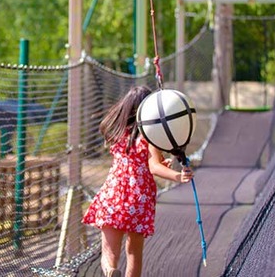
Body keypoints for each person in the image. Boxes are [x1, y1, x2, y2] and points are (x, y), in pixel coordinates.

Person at [82, 85, 194, 277]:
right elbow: (152, 167)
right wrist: (177, 176)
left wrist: (158, 162)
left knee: (109, 253)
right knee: (134, 252)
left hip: (114, 194)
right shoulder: (148, 135)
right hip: (138, 198)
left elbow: (143, 162)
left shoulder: (117, 133)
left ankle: (110, 271)